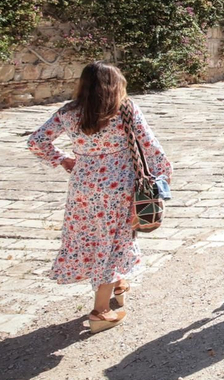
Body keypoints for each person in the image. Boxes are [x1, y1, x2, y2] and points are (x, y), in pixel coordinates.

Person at [28, 62, 172, 333]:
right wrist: (163, 178)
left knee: (91, 237)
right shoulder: (124, 109)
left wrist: (63, 160)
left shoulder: (68, 112)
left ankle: (117, 284)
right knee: (114, 241)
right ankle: (100, 310)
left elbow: (36, 141)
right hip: (119, 186)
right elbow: (151, 147)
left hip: (82, 185)